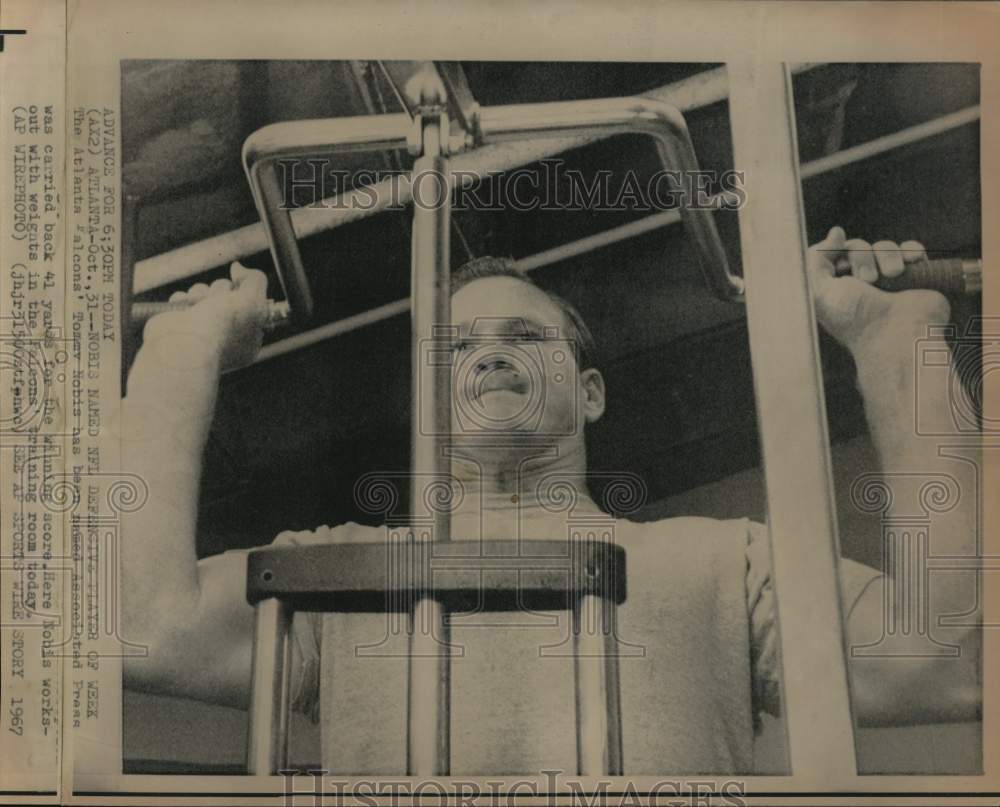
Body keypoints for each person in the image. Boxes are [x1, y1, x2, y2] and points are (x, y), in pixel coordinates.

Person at [121, 227, 980, 774]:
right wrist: (177, 353)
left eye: (525, 338)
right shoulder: (337, 572)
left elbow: (950, 657)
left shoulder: (722, 561)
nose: (491, 358)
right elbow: (139, 627)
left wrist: (897, 342)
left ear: (592, 391)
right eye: (458, 349)